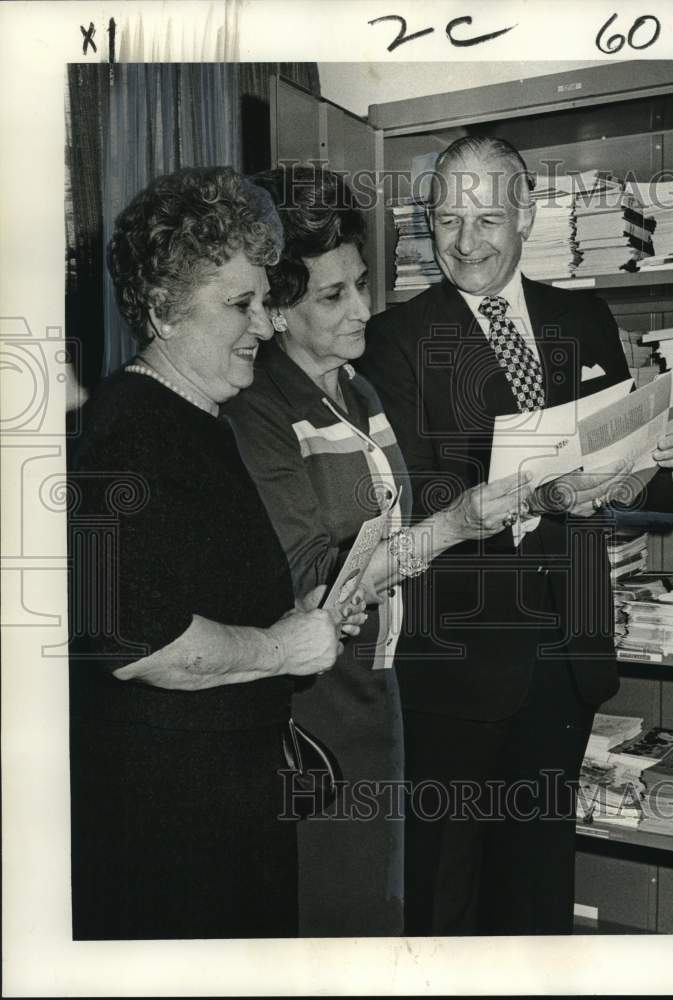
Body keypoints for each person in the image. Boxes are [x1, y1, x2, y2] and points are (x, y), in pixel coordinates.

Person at [359, 136, 673, 936]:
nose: (465, 241)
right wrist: (535, 492)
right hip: (457, 663)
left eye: (488, 216)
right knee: (443, 898)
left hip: (566, 654)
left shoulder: (580, 316)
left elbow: (625, 469)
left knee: (536, 897)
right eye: (447, 218)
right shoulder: (394, 338)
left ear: (525, 214)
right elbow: (412, 493)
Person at [223, 166, 533, 936]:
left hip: (381, 696)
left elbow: (393, 518)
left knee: (381, 915)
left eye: (361, 281)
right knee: (331, 920)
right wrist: (455, 524)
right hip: (313, 712)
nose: (363, 308)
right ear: (273, 310)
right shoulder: (258, 411)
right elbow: (314, 589)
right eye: (332, 296)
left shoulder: (356, 390)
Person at [68, 165, 365, 940]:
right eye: (240, 304)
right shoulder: (127, 433)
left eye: (264, 301)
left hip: (227, 803)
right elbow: (136, 643)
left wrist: (297, 615)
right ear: (164, 311)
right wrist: (277, 646)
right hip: (170, 828)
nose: (265, 326)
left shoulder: (199, 416)